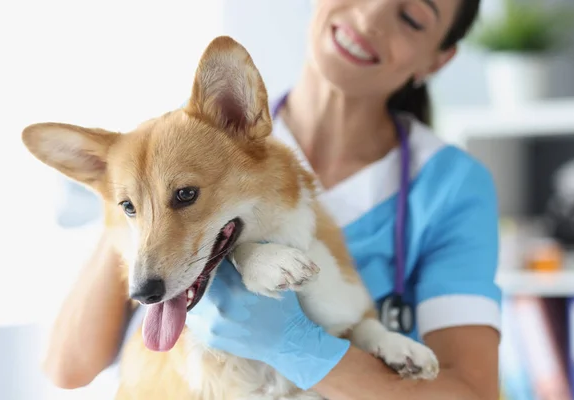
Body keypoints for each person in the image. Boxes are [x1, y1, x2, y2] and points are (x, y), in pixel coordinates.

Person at [43, 1, 502, 399]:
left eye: (410, 16)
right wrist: (138, 201)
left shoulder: (451, 185)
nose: (368, 16)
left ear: (438, 60)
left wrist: (298, 346)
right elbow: (69, 367)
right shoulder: (180, 143)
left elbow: (470, 394)